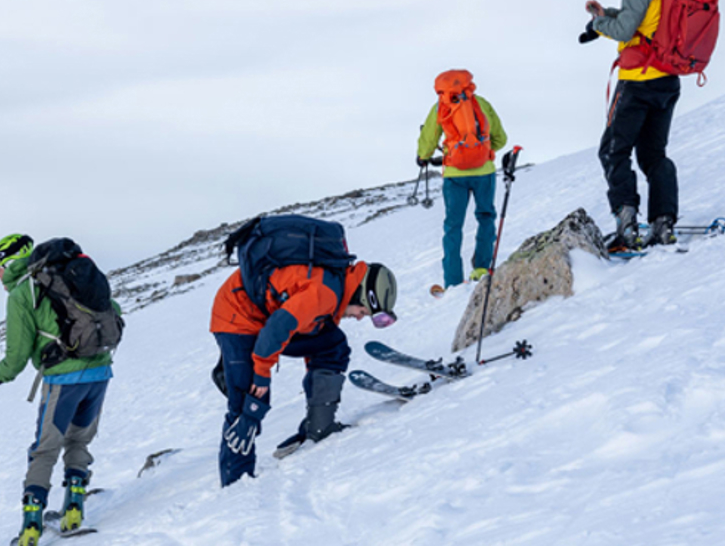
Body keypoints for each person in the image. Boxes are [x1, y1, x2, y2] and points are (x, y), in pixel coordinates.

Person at [210, 231, 398, 487]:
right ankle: (235, 484)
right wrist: (261, 377)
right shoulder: (325, 293)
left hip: (265, 317)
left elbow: (310, 331)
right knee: (247, 401)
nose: (359, 317)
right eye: (363, 311)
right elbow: (275, 331)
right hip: (237, 316)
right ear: (361, 296)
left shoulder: (337, 288)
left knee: (333, 345)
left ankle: (319, 426)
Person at [0, 233, 119, 546]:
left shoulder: (22, 294)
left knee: (45, 448)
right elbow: (113, 309)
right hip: (100, 371)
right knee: (79, 439)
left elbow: (16, 357)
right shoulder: (78, 277)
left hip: (62, 379)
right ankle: (73, 511)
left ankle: (30, 529)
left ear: (11, 262)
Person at [585, 0, 681, 249]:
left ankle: (627, 223)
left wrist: (599, 24)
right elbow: (643, 21)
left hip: (638, 82)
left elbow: (627, 30)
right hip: (667, 81)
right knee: (654, 154)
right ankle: (663, 222)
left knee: (613, 150)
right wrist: (606, 15)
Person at [416, 69, 509, 292]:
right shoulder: (481, 103)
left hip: (455, 175)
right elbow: (500, 139)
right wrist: (480, 152)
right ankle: (481, 269)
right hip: (484, 171)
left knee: (453, 227)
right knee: (486, 217)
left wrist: (424, 156)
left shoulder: (441, 106)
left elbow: (429, 138)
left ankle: (453, 281)